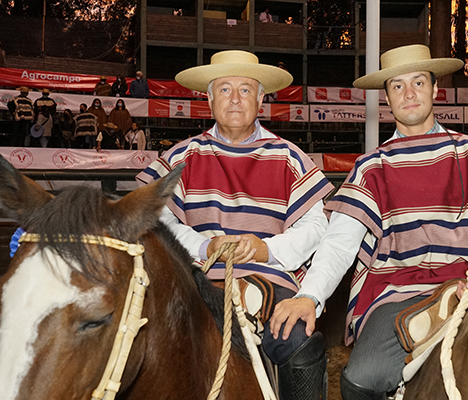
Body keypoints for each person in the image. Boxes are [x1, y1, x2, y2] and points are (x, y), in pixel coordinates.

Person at [267, 44, 468, 400]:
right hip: (398, 294)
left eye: (418, 82)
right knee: (360, 379)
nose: (409, 93)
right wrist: (309, 296)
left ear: (436, 90)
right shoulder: (371, 167)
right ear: (387, 98)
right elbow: (340, 243)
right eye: (398, 86)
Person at [136, 50, 333, 400]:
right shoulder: (180, 158)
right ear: (209, 99)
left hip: (268, 277)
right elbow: (154, 219)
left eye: (245, 90)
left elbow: (317, 226)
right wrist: (202, 246)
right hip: (194, 279)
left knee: (299, 340)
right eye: (224, 89)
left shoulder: (290, 157)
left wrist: (265, 248)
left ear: (260, 99)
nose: (235, 99)